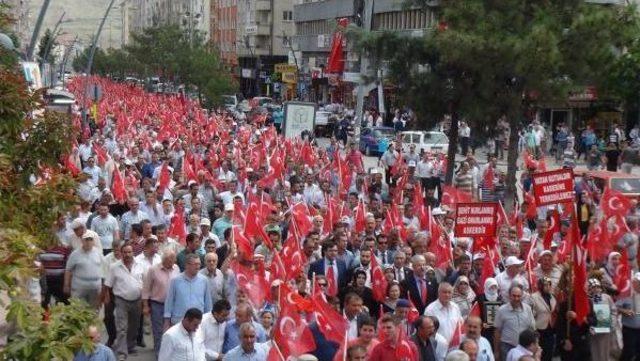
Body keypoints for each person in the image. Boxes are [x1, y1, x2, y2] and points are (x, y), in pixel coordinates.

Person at [104, 242, 145, 360]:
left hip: (137, 300)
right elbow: (108, 284)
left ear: (133, 253)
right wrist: (106, 297)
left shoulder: (140, 264)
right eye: (125, 252)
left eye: (129, 252)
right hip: (121, 300)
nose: (127, 254)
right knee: (122, 328)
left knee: (134, 325)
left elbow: (145, 282)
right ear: (121, 253)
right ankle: (122, 352)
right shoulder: (114, 267)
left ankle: (130, 345)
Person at [142, 249, 180, 355]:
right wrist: (145, 306)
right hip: (157, 304)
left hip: (173, 304)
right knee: (158, 329)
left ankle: (170, 351)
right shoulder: (153, 270)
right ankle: (159, 352)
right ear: (164, 260)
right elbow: (146, 289)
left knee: (171, 329)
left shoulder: (176, 268)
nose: (172, 262)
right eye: (170, 260)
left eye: (173, 260)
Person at [164, 253, 212, 327]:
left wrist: (208, 321)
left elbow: (208, 303)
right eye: (195, 264)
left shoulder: (204, 280)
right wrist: (167, 322)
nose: (198, 267)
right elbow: (169, 302)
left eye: (199, 264)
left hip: (198, 323)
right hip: (179, 322)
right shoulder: (175, 281)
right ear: (187, 265)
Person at [493, 285, 535, 360]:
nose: (516, 298)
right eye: (514, 296)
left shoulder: (528, 309)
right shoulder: (502, 310)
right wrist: (496, 351)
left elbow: (532, 329)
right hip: (507, 347)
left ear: (522, 296)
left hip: (524, 348)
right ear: (509, 296)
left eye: (519, 296)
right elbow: (497, 332)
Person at [64, 232, 104, 308]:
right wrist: (66, 285)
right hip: (79, 287)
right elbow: (68, 269)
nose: (88, 242)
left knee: (94, 310)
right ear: (82, 241)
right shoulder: (75, 254)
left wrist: (103, 287)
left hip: (95, 287)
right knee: (77, 309)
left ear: (93, 241)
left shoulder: (98, 253)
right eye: (86, 240)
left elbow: (104, 269)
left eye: (90, 239)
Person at [587, 278, 616, 361]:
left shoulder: (606, 297)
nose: (596, 289)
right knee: (595, 353)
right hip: (593, 331)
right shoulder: (588, 299)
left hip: (605, 330)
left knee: (605, 353)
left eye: (597, 286)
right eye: (593, 287)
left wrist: (612, 324)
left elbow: (613, 311)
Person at [528, 278, 556, 361]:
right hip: (539, 329)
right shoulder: (534, 297)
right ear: (540, 286)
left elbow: (552, 311)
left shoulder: (552, 297)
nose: (548, 287)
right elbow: (531, 315)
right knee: (539, 353)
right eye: (545, 285)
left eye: (549, 285)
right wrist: (533, 329)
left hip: (550, 328)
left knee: (549, 352)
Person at [617, 272, 640, 361]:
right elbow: (615, 307)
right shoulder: (626, 294)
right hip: (629, 329)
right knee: (628, 352)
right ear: (634, 283)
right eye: (638, 283)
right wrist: (625, 311)